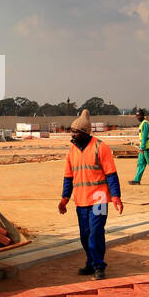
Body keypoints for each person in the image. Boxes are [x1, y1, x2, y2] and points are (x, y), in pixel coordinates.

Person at [58, 109, 123, 280]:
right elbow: (68, 177)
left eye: (76, 132)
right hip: (81, 200)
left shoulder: (101, 148)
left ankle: (99, 266)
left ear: (85, 133)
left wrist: (116, 196)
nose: (72, 135)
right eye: (72, 131)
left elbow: (111, 174)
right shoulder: (72, 151)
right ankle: (90, 262)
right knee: (85, 235)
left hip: (99, 199)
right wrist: (65, 198)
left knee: (96, 233)